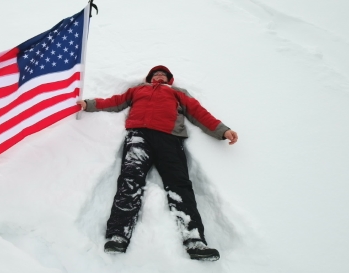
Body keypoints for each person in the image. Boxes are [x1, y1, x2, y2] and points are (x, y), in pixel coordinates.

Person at [77, 65, 238, 261]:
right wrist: (88, 104)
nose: (159, 76)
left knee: (179, 184)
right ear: (149, 78)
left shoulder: (177, 93)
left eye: (163, 74)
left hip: (169, 139)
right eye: (156, 74)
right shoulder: (137, 90)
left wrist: (222, 130)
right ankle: (118, 234)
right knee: (130, 180)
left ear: (169, 79)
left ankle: (194, 240)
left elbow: (198, 112)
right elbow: (115, 102)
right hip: (139, 137)